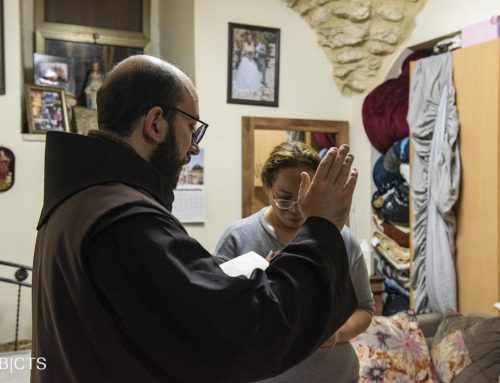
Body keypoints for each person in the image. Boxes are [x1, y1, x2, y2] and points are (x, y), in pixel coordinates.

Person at [31, 54, 359, 383]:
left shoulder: (82, 199)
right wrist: (321, 227)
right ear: (156, 122)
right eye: (191, 127)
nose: (193, 148)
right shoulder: (123, 217)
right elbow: (242, 336)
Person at [215, 141, 374, 383]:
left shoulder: (340, 238)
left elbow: (365, 309)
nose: (296, 209)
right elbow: (219, 316)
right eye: (284, 198)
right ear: (268, 188)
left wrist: (337, 332)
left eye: (305, 198)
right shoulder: (237, 237)